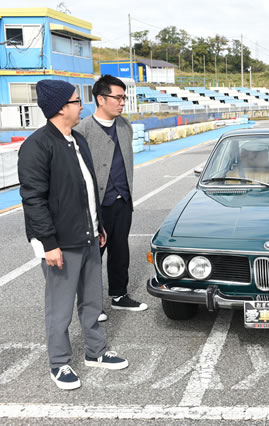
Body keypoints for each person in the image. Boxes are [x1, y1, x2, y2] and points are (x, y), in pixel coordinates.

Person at [18, 79, 128, 390]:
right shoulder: (37, 146)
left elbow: (88, 189)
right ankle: (59, 363)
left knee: (92, 301)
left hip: (89, 236)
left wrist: (99, 225)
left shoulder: (77, 140)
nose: (82, 106)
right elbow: (33, 200)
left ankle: (96, 351)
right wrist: (48, 244)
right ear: (60, 108)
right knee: (60, 307)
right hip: (60, 243)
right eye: (77, 101)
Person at [76, 75, 147, 321]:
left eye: (124, 97)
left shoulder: (125, 126)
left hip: (123, 200)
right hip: (96, 204)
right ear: (101, 99)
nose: (122, 102)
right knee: (93, 255)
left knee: (120, 251)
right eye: (118, 97)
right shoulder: (82, 130)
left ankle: (119, 295)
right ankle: (91, 305)